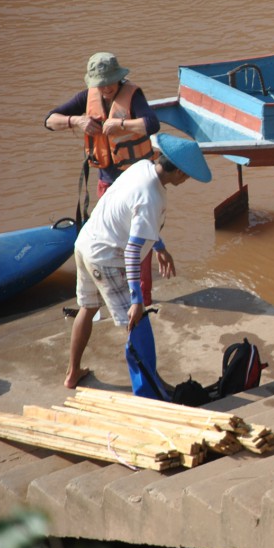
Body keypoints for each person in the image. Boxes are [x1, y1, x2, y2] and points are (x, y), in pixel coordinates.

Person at [64, 134, 212, 392]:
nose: (186, 179)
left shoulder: (141, 167)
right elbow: (132, 251)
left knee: (87, 308)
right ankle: (153, 385)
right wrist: (136, 299)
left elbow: (129, 217)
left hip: (86, 242)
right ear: (176, 170)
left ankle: (72, 372)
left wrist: (159, 246)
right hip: (107, 258)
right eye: (186, 174)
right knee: (136, 323)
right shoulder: (152, 197)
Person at [44, 52, 161, 305]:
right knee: (109, 240)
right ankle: (115, 297)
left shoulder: (133, 94)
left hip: (137, 182)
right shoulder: (88, 96)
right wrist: (77, 120)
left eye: (110, 81)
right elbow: (49, 121)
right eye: (100, 82)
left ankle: (144, 301)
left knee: (140, 245)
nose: (105, 87)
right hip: (107, 183)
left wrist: (121, 125)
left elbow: (152, 124)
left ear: (119, 78)